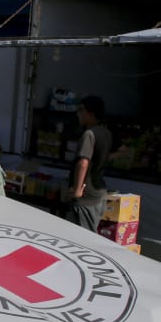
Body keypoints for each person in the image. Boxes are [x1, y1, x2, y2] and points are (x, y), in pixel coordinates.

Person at [64, 96, 111, 232]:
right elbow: (112, 154)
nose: (78, 114)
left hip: (86, 196)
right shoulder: (106, 132)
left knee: (79, 236)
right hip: (99, 192)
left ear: (91, 113)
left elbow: (83, 162)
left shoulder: (89, 134)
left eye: (80, 110)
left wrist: (77, 189)